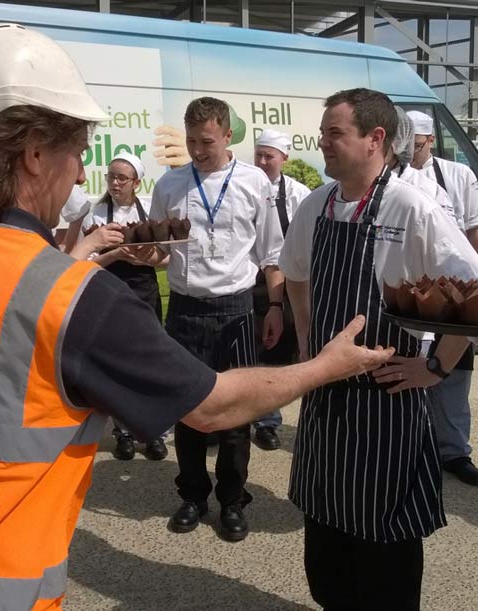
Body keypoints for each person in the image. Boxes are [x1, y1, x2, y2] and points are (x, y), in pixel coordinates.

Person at [0, 23, 393, 611]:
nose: (82, 175)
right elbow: (215, 406)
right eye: (77, 154)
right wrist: (325, 366)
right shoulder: (71, 297)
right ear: (31, 155)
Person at [279, 88, 478, 610]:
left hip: (385, 405)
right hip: (325, 400)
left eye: (334, 133)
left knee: (385, 555)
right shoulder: (317, 204)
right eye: (324, 132)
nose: (323, 143)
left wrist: (437, 365)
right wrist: (307, 342)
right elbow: (295, 275)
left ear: (375, 139)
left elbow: (477, 291)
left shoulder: (410, 205)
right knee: (327, 551)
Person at [146, 96, 285, 542]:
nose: (198, 150)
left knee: (234, 415)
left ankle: (232, 499)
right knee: (187, 409)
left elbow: (273, 253)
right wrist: (143, 252)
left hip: (236, 311)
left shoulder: (253, 182)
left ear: (228, 135)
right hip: (185, 310)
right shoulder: (169, 185)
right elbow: (158, 253)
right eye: (190, 141)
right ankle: (192, 495)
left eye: (206, 141)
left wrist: (277, 308)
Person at [66, 152, 171, 461]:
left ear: (137, 182)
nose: (114, 183)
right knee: (116, 365)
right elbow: (77, 257)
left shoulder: (151, 209)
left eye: (121, 178)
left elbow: (166, 258)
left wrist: (144, 258)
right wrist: (112, 255)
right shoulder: (93, 213)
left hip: (144, 291)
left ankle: (154, 432)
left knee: (151, 364)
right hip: (107, 290)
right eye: (111, 176)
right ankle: (123, 432)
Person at [407, 109, 478, 486]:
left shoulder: (458, 176)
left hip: (453, 289)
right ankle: (414, 450)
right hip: (411, 292)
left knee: (455, 374)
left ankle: (454, 451)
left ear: (429, 141)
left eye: (415, 144)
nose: (409, 151)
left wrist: (470, 293)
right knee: (412, 367)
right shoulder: (392, 178)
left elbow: (477, 234)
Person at [249, 128, 310, 451]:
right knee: (245, 351)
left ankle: (267, 421)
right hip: (247, 279)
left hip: (281, 282)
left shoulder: (299, 194)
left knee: (272, 353)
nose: (261, 161)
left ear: (284, 158)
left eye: (268, 156)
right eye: (258, 154)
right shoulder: (245, 185)